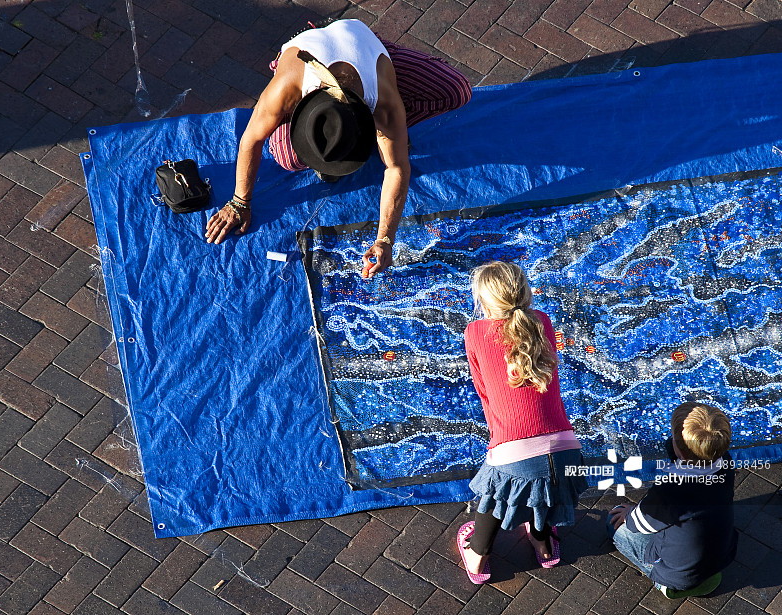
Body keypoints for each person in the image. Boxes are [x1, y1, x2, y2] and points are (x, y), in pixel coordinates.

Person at [204, 19, 472, 278]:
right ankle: (380, 140)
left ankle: (387, 137)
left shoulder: (384, 103)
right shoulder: (287, 85)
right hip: (308, 52)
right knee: (287, 156)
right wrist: (239, 202)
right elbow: (251, 139)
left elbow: (397, 167)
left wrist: (385, 240)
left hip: (366, 48)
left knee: (457, 92)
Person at [458, 261, 588, 584]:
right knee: (544, 480)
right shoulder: (543, 321)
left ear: (485, 304)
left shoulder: (474, 333)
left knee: (495, 484)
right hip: (566, 450)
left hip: (515, 454)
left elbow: (484, 392)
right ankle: (543, 543)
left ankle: (478, 556)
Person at [607, 402, 738, 599]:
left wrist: (628, 514)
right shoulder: (725, 462)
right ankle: (702, 572)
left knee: (615, 523)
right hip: (721, 555)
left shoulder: (672, 490)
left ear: (681, 450)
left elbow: (640, 524)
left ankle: (665, 583)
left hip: (678, 574)